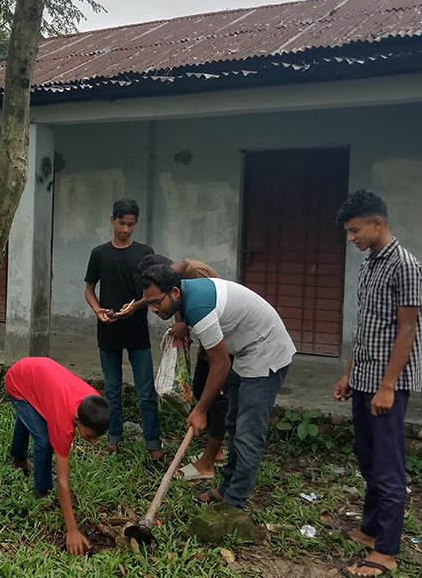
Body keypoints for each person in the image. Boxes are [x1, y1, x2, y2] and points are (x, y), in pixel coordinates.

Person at [139, 264, 296, 510]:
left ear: (174, 292)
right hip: (242, 351)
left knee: (248, 432)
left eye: (157, 302)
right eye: (150, 304)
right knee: (232, 423)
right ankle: (226, 489)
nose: (155, 309)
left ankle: (234, 503)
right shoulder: (185, 293)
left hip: (265, 351)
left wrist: (200, 410)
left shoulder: (199, 307)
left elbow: (220, 364)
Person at [333, 189, 422, 578]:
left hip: (388, 382)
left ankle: (386, 551)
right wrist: (350, 372)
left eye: (355, 231)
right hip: (365, 376)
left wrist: (388, 386)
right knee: (368, 459)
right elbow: (365, 326)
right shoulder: (371, 264)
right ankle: (371, 530)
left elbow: (406, 330)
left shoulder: (405, 265)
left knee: (388, 467)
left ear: (377, 223)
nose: (352, 239)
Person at [84, 198, 167, 464]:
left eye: (131, 224)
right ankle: (113, 441)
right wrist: (98, 310)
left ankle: (153, 445)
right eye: (122, 223)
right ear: (112, 221)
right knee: (112, 390)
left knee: (145, 391)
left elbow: (152, 291)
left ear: (136, 224)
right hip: (108, 328)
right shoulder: (99, 254)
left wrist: (136, 306)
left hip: (137, 328)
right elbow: (89, 289)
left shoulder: (145, 252)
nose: (126, 229)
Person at [5, 357, 111, 555]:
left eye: (98, 437)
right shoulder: (64, 424)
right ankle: (41, 491)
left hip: (37, 375)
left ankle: (18, 459)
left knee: (32, 419)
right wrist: (72, 529)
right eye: (90, 436)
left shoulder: (94, 401)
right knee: (44, 440)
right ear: (77, 419)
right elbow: (63, 481)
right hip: (18, 381)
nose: (94, 442)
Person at [137, 254, 227, 480]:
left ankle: (211, 458)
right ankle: (212, 450)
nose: (155, 309)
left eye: (155, 302)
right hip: (208, 346)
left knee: (216, 400)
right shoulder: (176, 284)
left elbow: (213, 313)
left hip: (223, 349)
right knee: (199, 389)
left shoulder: (196, 273)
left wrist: (184, 326)